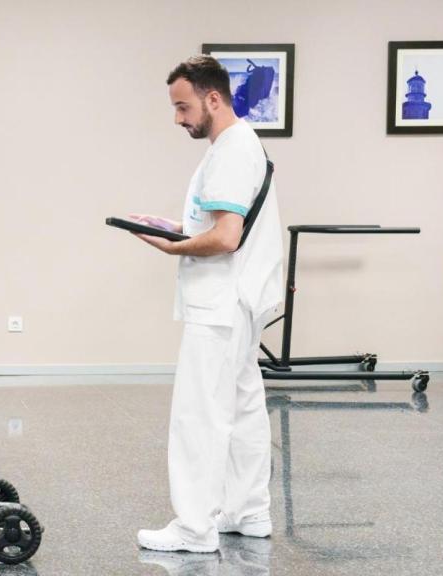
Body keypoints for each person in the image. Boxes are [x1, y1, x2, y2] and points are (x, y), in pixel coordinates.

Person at [132, 56, 283, 553]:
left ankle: (194, 527)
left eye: (183, 107)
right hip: (237, 302)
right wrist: (174, 226)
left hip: (219, 302)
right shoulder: (239, 146)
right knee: (242, 408)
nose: (178, 119)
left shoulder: (230, 152)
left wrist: (174, 247)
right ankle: (249, 511)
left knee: (199, 413)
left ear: (213, 98)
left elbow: (224, 238)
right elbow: (219, 224)